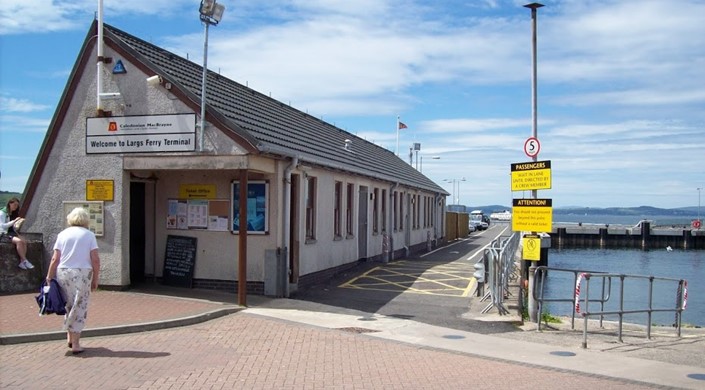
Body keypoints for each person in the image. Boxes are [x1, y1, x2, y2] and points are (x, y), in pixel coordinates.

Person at [45, 207, 100, 354]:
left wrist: (49, 276)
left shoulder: (63, 234)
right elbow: (95, 260)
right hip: (82, 273)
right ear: (85, 220)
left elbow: (55, 258)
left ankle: (69, 338)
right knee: (79, 306)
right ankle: (76, 344)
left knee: (68, 304)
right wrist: (95, 278)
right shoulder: (89, 235)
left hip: (63, 271)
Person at [0, 197, 34, 269]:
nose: (16, 207)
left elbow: (13, 227)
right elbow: (2, 226)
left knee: (24, 241)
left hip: (11, 232)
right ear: (10, 204)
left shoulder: (14, 213)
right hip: (3, 234)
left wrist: (18, 223)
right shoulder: (2, 213)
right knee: (19, 241)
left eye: (17, 205)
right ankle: (25, 260)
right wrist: (14, 221)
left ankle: (22, 262)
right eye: (14, 205)